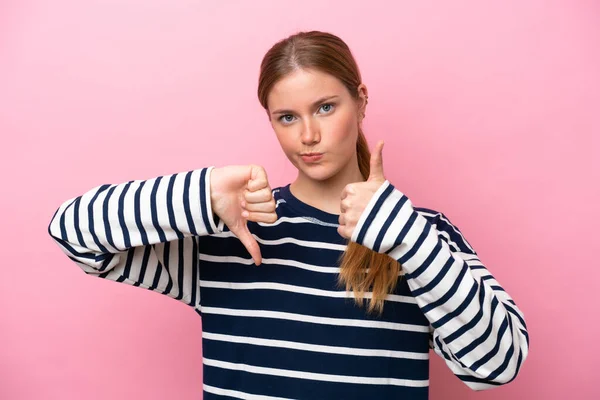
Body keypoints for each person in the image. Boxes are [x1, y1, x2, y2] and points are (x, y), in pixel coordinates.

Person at [48, 30, 529, 399]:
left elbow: (496, 366)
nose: (309, 137)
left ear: (360, 101)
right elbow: (73, 234)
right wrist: (207, 193)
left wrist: (408, 238)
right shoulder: (232, 234)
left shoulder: (423, 235)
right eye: (287, 117)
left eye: (325, 107)